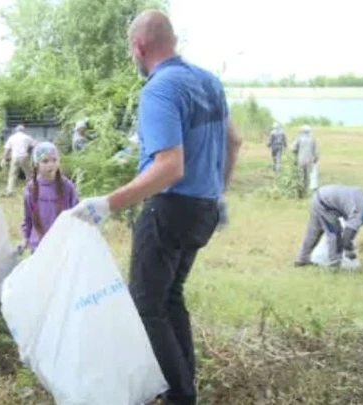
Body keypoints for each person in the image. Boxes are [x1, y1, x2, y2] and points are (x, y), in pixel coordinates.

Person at [69, 10, 242, 405]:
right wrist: (217, 193)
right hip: (203, 210)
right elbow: (234, 141)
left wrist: (107, 203)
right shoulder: (209, 81)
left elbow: (170, 166)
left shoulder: (159, 88)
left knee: (146, 306)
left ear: (138, 47)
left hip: (170, 209)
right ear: (173, 40)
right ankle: (184, 389)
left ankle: (179, 395)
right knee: (169, 297)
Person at [294, 185, 363, 268]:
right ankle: (334, 264)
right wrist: (350, 253)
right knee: (335, 233)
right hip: (325, 205)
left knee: (314, 232)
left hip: (319, 196)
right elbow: (347, 237)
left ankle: (302, 259)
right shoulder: (361, 211)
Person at [19, 142, 79, 254]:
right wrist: (25, 238)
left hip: (62, 244)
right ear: (36, 164)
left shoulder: (67, 186)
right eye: (45, 161)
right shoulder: (31, 188)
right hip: (38, 245)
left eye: (54, 160)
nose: (51, 165)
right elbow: (28, 217)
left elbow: (76, 214)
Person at [2, 125, 35, 196]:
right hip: (24, 157)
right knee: (29, 174)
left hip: (14, 157)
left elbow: (7, 149)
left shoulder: (12, 137)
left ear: (16, 130)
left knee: (12, 175)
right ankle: (30, 189)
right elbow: (34, 145)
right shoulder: (27, 137)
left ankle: (10, 190)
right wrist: (30, 153)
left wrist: (4, 159)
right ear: (23, 130)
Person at [291, 124, 319, 194]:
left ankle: (302, 189)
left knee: (301, 175)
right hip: (309, 160)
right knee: (308, 175)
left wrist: (296, 154)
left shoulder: (299, 138)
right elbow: (315, 151)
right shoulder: (312, 139)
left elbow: (293, 148)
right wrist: (315, 159)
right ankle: (309, 189)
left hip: (300, 159)